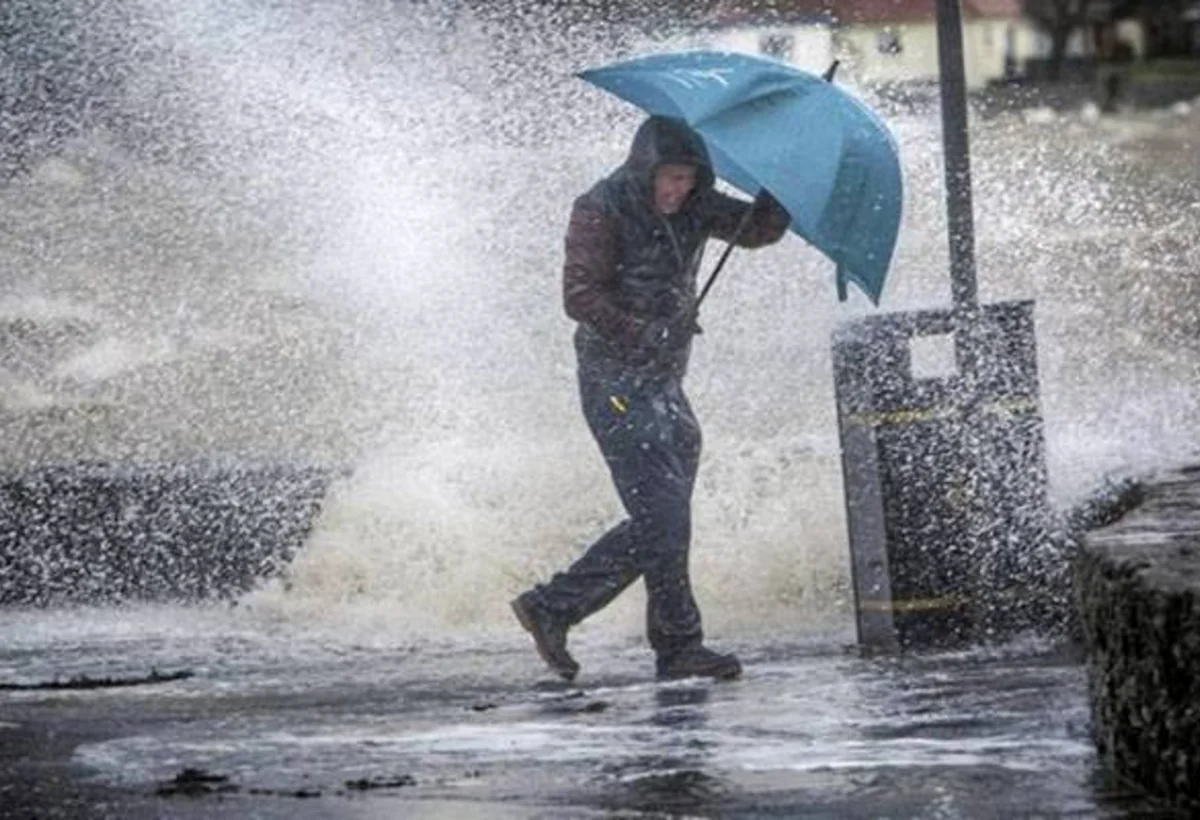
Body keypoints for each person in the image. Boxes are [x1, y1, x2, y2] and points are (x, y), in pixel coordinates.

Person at [512, 115, 790, 682]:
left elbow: (756, 230)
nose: (676, 191)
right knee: (663, 517)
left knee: (668, 518)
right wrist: (641, 332)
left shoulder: (697, 205)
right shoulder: (600, 206)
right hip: (613, 382)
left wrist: (777, 191)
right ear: (645, 170)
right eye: (668, 178)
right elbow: (578, 295)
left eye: (688, 179)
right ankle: (569, 609)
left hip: (665, 383)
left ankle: (661, 642)